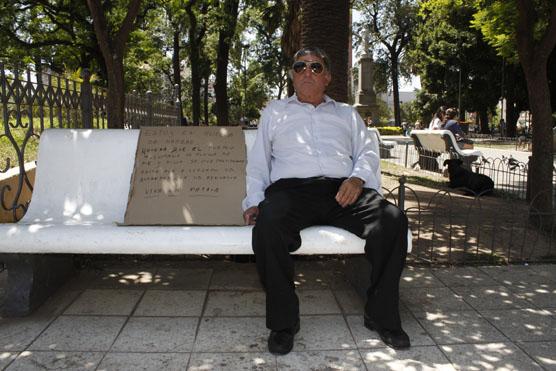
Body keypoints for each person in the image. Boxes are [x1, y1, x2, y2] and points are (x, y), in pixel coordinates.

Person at [242, 46, 410, 355]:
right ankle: (284, 323)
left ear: (327, 77)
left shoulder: (347, 113)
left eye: (315, 67)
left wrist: (357, 178)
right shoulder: (275, 112)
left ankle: (381, 315)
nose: (307, 71)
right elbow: (258, 163)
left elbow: (367, 152)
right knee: (267, 224)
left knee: (393, 220)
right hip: (291, 192)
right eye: (300, 66)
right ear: (292, 74)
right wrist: (253, 200)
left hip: (343, 190)